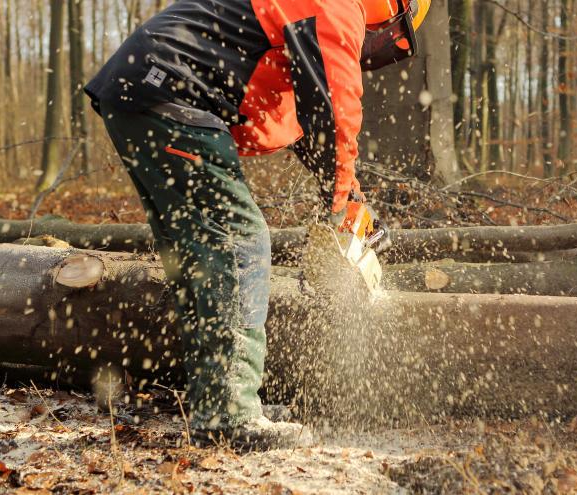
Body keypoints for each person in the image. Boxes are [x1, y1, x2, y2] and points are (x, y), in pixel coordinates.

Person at [84, 0, 430, 450]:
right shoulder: (338, 7)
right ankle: (229, 416)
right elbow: (335, 113)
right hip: (170, 92)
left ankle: (217, 399)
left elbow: (310, 122)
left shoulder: (300, 11)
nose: (379, 42)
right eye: (388, 32)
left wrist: (351, 202)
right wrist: (339, 195)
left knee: (200, 260)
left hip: (145, 89)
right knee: (239, 242)